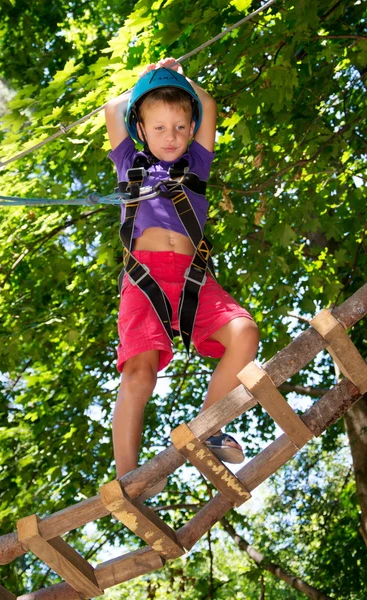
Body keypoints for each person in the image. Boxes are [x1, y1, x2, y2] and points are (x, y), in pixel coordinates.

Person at [105, 58, 259, 498]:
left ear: (191, 129)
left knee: (245, 332)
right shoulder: (128, 162)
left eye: (179, 127)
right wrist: (151, 75)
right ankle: (131, 479)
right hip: (145, 277)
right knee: (140, 373)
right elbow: (112, 108)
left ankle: (208, 428)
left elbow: (206, 104)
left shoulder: (197, 162)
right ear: (141, 128)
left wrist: (181, 77)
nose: (170, 136)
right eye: (158, 128)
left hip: (193, 278)